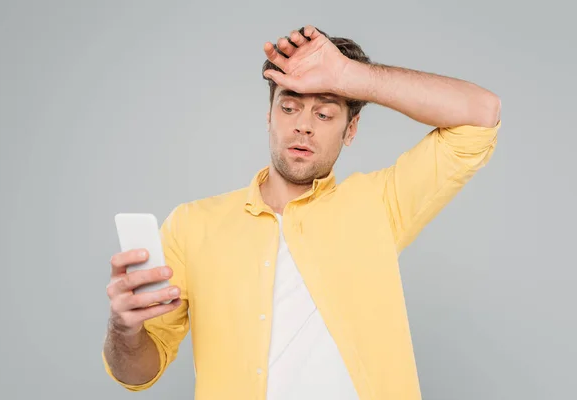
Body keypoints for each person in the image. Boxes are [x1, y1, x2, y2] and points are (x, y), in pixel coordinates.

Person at [102, 25, 501, 400]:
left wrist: (349, 76)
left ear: (351, 129)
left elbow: (481, 113)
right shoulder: (192, 225)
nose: (303, 126)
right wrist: (124, 330)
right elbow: (135, 373)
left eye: (325, 114)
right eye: (289, 108)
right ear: (269, 116)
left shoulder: (378, 204)